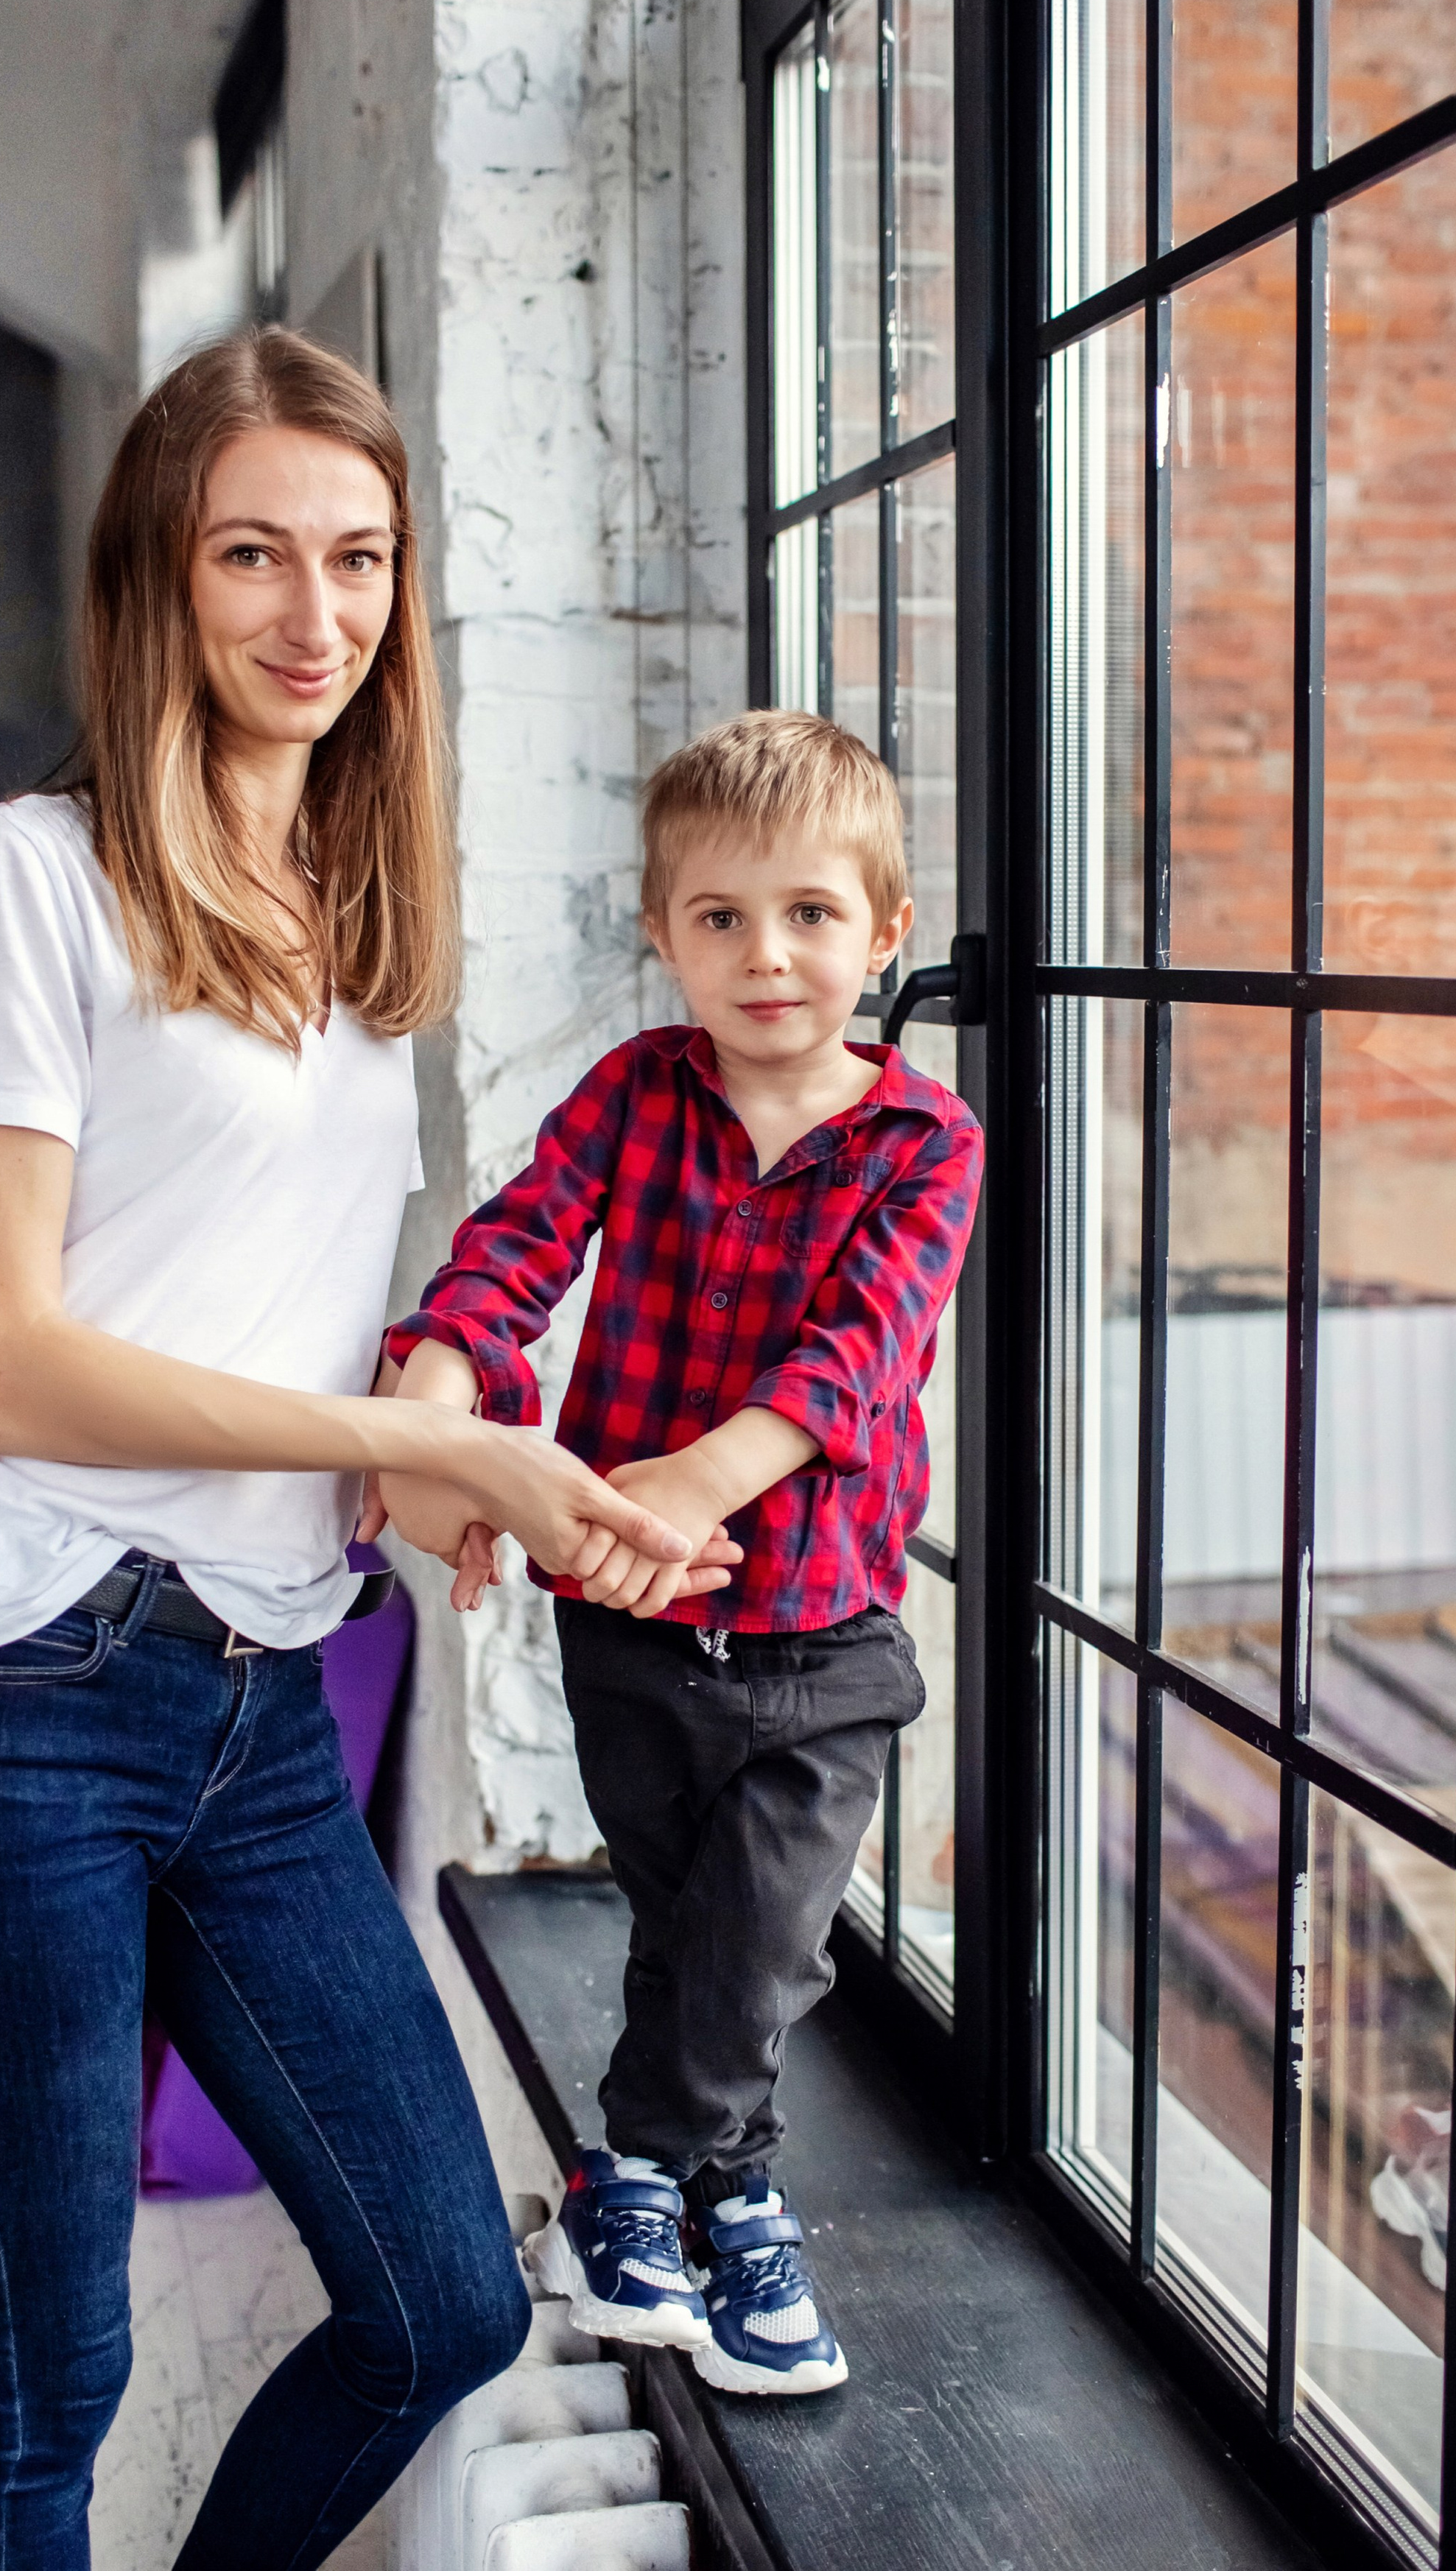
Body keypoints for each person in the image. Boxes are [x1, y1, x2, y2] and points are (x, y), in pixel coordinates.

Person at [0, 328, 734, 2571]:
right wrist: (432, 1448)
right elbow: (12, 1361)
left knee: (434, 2303)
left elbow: (283, 1325)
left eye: (359, 559)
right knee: (44, 2388)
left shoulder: (351, 920)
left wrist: (478, 1470)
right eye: (254, 555)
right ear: (158, 572)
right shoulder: (28, 882)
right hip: (2, 1702)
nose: (315, 617)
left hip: (255, 1697)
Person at [383, 709, 983, 2396]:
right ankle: (718, 2195)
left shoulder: (923, 1144)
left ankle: (630, 2172)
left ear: (884, 931)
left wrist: (683, 1491)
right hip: (630, 1631)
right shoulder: (633, 1093)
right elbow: (512, 1248)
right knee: (685, 1928)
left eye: (807, 913)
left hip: (819, 1636)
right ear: (662, 936)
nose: (765, 954)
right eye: (717, 917)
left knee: (765, 1942)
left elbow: (848, 1360)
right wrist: (450, 1421)